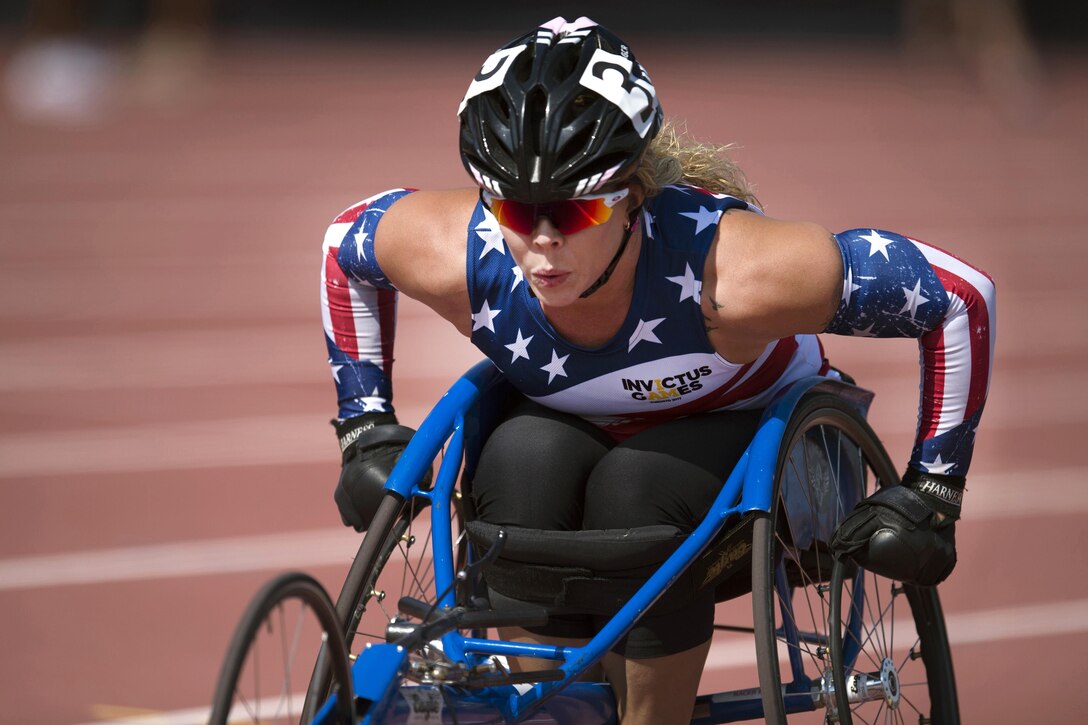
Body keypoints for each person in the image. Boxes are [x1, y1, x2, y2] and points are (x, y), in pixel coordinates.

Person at [321, 17, 996, 725]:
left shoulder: (733, 273)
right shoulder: (464, 256)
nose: (543, 243)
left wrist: (935, 490)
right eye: (517, 209)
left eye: (576, 210)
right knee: (516, 459)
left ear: (633, 198)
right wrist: (364, 426)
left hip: (767, 473)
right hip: (572, 446)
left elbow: (958, 295)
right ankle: (553, 708)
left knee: (637, 485)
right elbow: (346, 243)